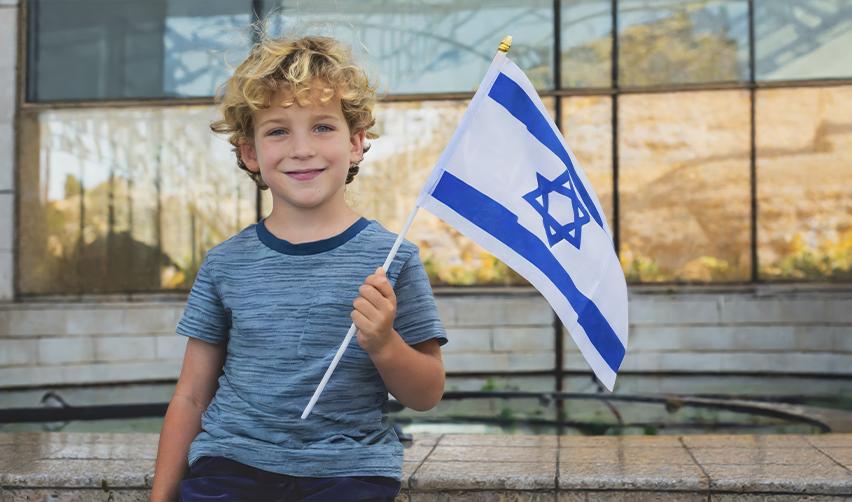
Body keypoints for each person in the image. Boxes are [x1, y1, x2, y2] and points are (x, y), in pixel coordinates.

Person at [150, 33, 448, 502]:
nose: (302, 148)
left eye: (322, 127)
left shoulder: (394, 259)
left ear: (356, 143)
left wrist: (384, 343)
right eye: (277, 130)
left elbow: (427, 393)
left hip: (349, 470)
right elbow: (190, 396)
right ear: (251, 153)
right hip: (232, 464)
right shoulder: (225, 263)